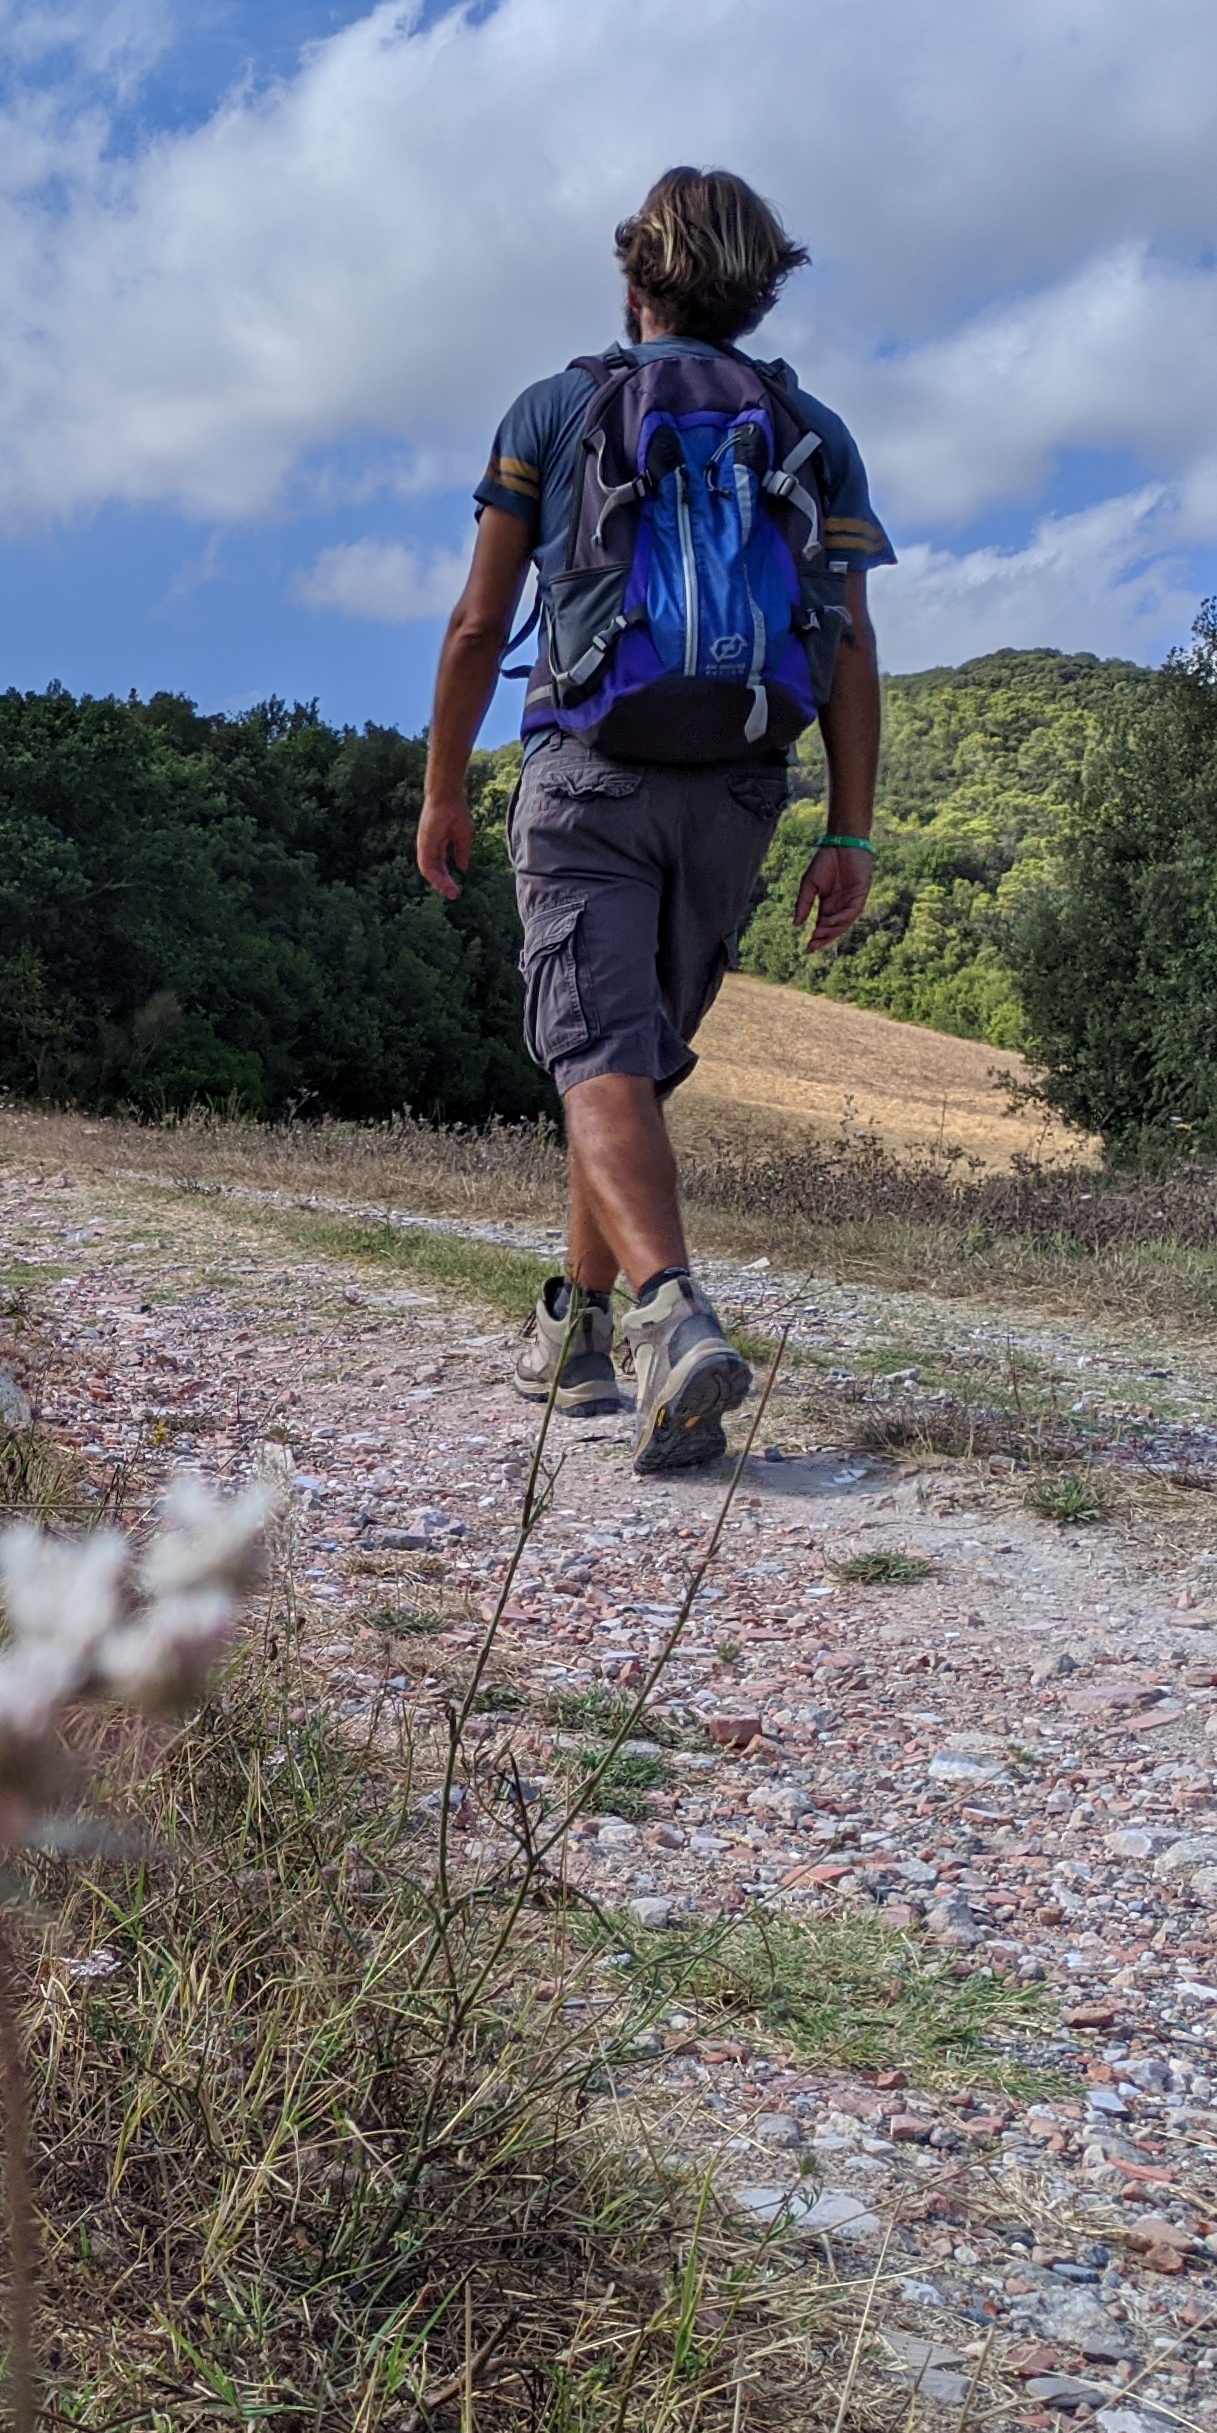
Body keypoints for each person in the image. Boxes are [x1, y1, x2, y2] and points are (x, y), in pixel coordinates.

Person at [415, 166, 891, 1472]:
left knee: (597, 1054)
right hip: (737, 789)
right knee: (614, 1055)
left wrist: (445, 784)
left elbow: (475, 625)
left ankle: (672, 1315)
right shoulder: (812, 430)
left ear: (632, 274)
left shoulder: (557, 410)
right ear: (757, 289)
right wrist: (849, 832)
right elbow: (847, 645)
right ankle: (574, 1325)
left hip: (587, 770)